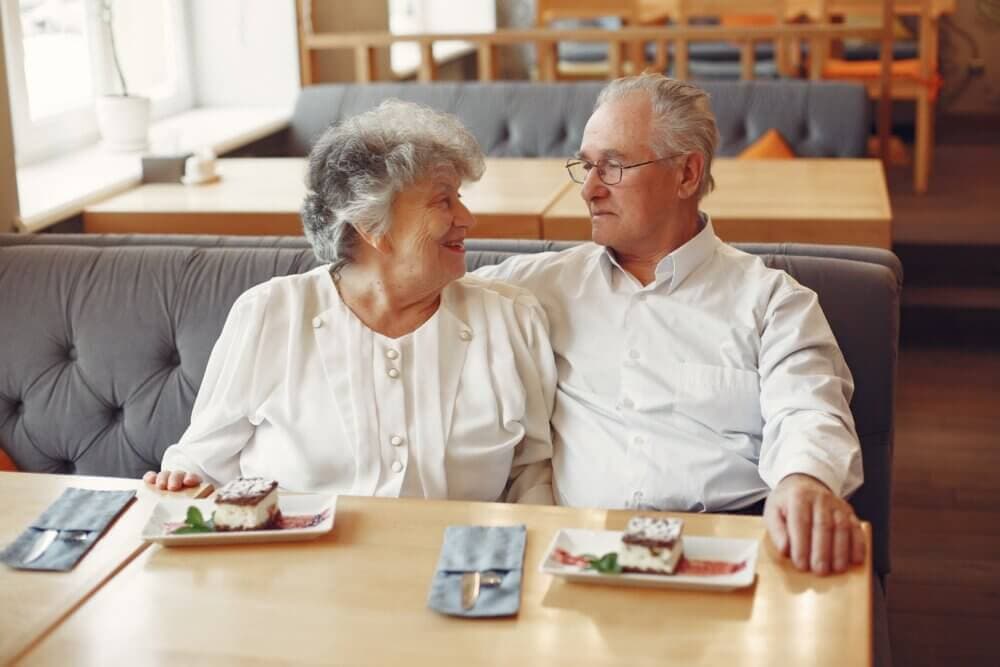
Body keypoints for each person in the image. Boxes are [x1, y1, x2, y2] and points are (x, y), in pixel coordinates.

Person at [475, 74, 866, 575]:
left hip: (727, 550)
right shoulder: (540, 286)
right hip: (585, 554)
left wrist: (804, 480)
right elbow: (429, 294)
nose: (589, 190)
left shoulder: (772, 300)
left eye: (612, 166)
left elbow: (809, 410)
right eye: (586, 166)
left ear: (686, 174)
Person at [144, 100, 556, 505]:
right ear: (372, 225)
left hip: (458, 564)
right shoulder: (271, 314)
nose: (467, 218)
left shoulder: (511, 321)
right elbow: (200, 464)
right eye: (443, 201)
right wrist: (181, 483)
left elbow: (533, 474)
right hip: (297, 566)